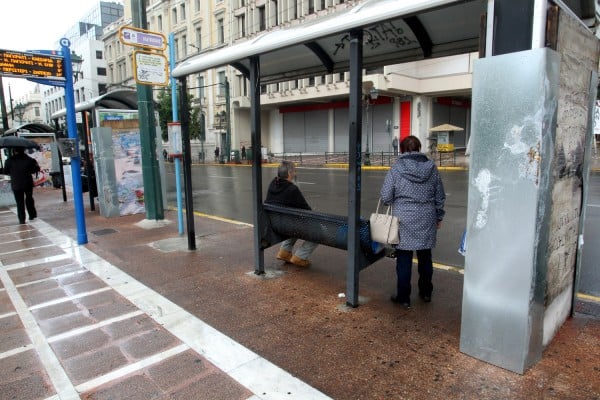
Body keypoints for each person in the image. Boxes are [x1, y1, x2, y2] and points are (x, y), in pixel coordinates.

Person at [380, 136, 445, 308]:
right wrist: (439, 216)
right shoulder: (431, 168)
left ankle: (404, 297)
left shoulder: (396, 169)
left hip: (404, 219)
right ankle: (425, 293)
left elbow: (386, 197)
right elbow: (440, 196)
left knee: (404, 259)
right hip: (427, 218)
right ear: (419, 148)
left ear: (401, 149)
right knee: (425, 257)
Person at [265, 161, 317, 267]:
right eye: (294, 171)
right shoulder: (292, 189)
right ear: (289, 173)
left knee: (292, 222)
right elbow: (306, 210)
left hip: (274, 224)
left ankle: (284, 252)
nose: (295, 173)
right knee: (317, 230)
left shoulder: (273, 183)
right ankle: (300, 257)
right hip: (287, 226)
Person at [4, 148, 41, 224]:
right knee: (29, 198)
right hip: (27, 183)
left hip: (16, 184)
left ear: (14, 151)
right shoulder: (29, 159)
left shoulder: (9, 161)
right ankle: (32, 215)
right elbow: (34, 170)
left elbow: (6, 172)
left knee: (19, 202)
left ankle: (22, 219)